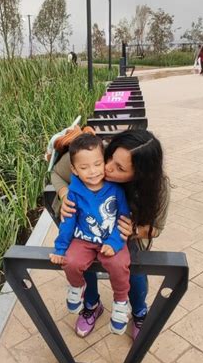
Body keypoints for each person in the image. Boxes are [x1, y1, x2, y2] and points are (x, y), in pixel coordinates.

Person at [51, 129, 170, 340]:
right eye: (111, 158)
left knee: (132, 268)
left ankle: (139, 311)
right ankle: (91, 305)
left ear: (139, 174)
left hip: (126, 235)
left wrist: (135, 230)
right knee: (81, 261)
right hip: (85, 225)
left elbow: (157, 228)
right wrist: (63, 194)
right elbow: (57, 174)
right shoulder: (94, 157)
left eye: (120, 168)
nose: (106, 168)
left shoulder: (156, 188)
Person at [49, 134, 132, 334]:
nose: (93, 172)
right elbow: (68, 222)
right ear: (74, 170)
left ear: (105, 161)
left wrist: (114, 241)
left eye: (97, 164)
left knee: (118, 263)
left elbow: (123, 216)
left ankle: (121, 300)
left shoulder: (116, 189)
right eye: (84, 168)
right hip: (83, 239)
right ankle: (78, 287)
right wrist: (60, 248)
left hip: (111, 237)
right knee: (71, 261)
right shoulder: (74, 192)